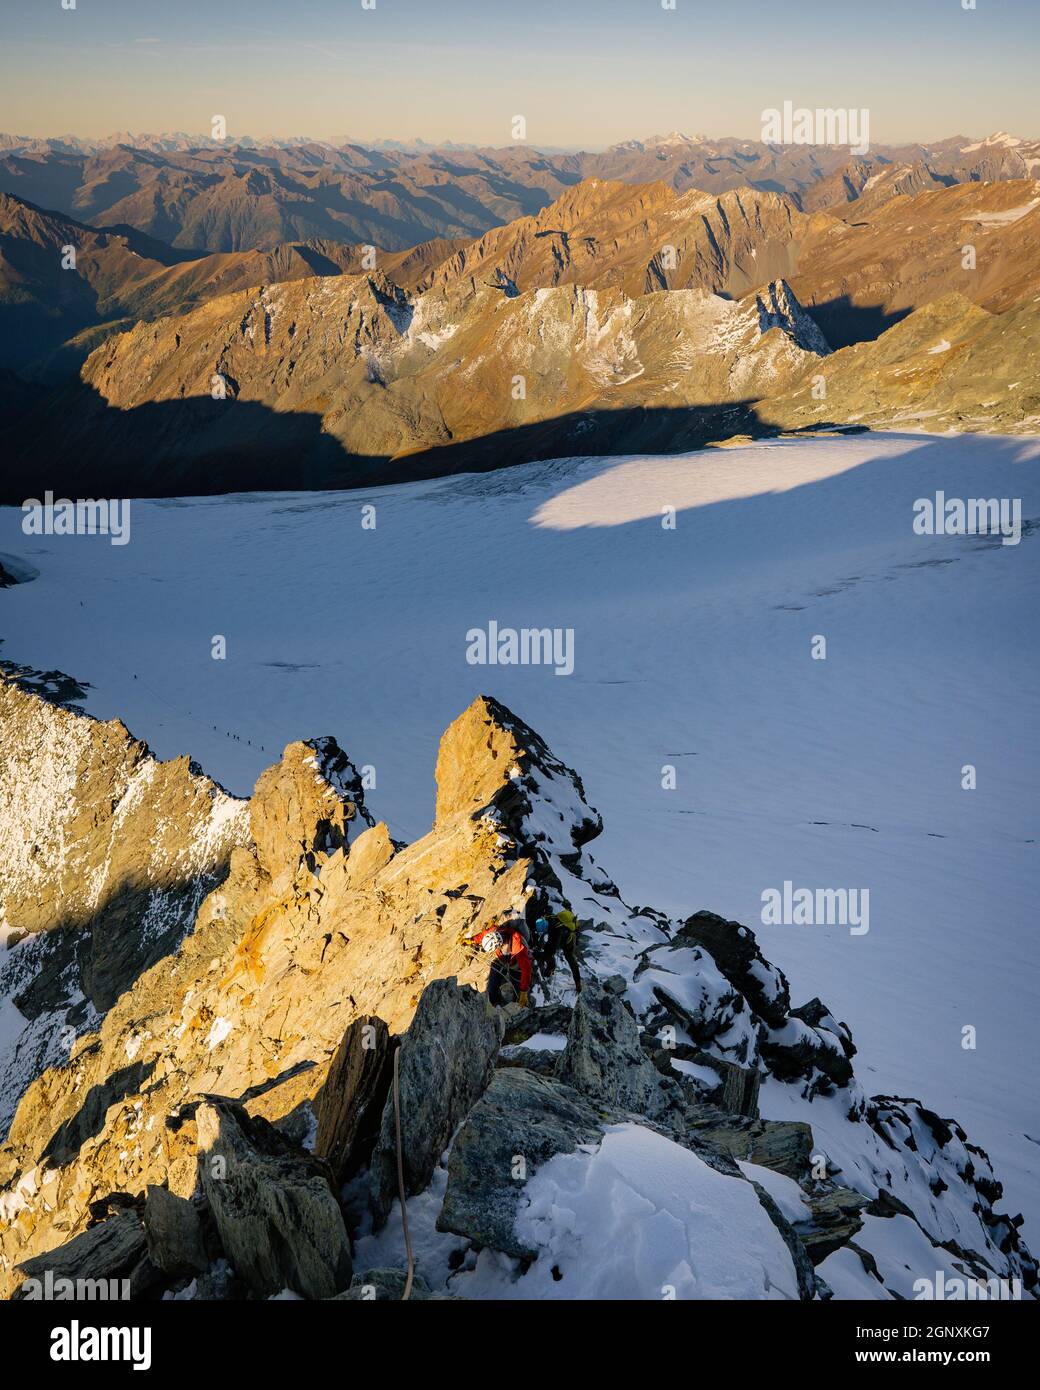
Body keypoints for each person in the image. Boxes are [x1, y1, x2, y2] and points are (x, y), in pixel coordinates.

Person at [470, 919, 532, 1008]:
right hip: (502, 960)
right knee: (492, 983)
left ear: (498, 945)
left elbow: (526, 969)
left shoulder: (518, 946)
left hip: (516, 966)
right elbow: (484, 935)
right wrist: (472, 940)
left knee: (517, 987)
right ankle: (494, 1003)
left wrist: (524, 991)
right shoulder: (496, 931)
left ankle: (520, 1007)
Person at [533, 905, 582, 994]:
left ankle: (578, 983)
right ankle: (550, 968)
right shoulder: (549, 918)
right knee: (548, 950)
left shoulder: (556, 933)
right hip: (563, 933)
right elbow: (549, 911)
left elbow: (550, 951)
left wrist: (535, 954)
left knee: (570, 958)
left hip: (568, 941)